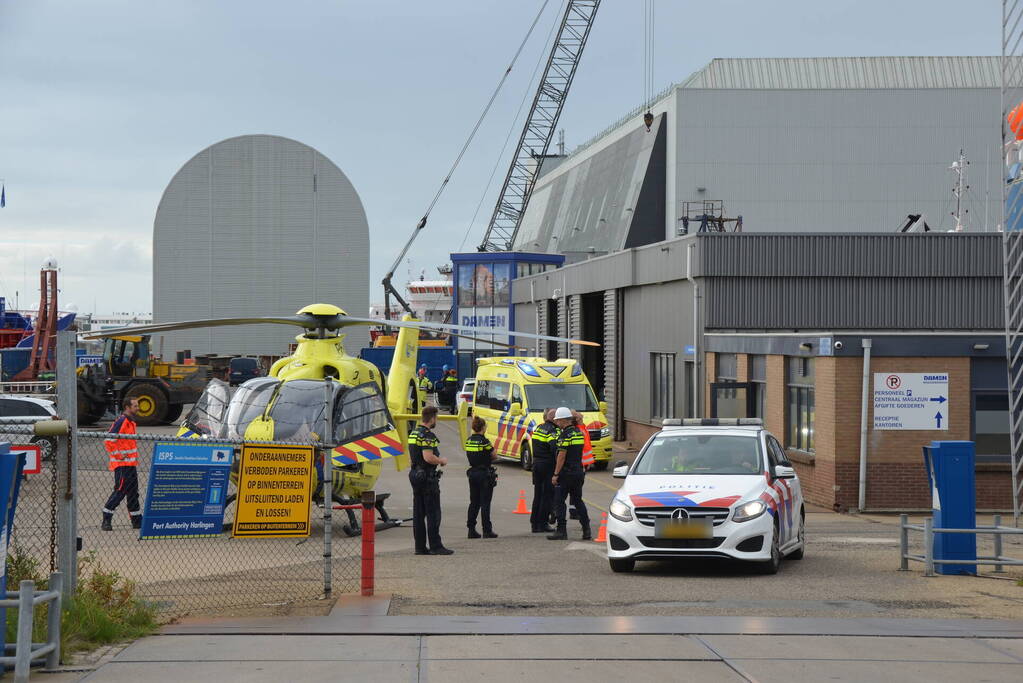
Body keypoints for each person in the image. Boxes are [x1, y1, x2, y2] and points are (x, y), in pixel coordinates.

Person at [408, 406, 453, 555]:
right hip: (427, 478)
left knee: (418, 514)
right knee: (433, 512)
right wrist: (441, 460)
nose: (436, 421)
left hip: (415, 475)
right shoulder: (427, 435)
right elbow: (428, 456)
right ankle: (436, 546)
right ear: (432, 418)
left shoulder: (413, 433)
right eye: (436, 418)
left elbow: (412, 457)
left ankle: (419, 547)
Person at [547, 406, 591, 541]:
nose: (557, 423)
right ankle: (586, 529)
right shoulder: (578, 432)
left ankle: (561, 531)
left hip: (566, 473)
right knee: (578, 501)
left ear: (563, 420)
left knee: (559, 501)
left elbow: (561, 456)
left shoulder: (564, 435)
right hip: (578, 471)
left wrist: (555, 474)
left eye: (558, 420)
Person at [101, 397, 142, 531]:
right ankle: (107, 516)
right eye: (135, 406)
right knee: (120, 490)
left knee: (133, 493)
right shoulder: (122, 421)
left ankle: (137, 520)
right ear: (127, 407)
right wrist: (119, 455)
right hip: (122, 464)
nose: (138, 408)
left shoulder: (131, 422)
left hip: (130, 464)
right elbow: (108, 440)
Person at [464, 416, 498, 539]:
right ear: (483, 427)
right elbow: (494, 456)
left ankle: (471, 529)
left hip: (472, 473)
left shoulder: (468, 440)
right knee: (485, 503)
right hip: (484, 474)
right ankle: (487, 530)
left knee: (474, 502)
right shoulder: (485, 441)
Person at [529, 408, 559, 533]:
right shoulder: (553, 430)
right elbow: (555, 449)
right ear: (553, 419)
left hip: (536, 464)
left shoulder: (539, 428)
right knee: (547, 495)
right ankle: (543, 523)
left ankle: (534, 523)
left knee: (538, 495)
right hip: (547, 465)